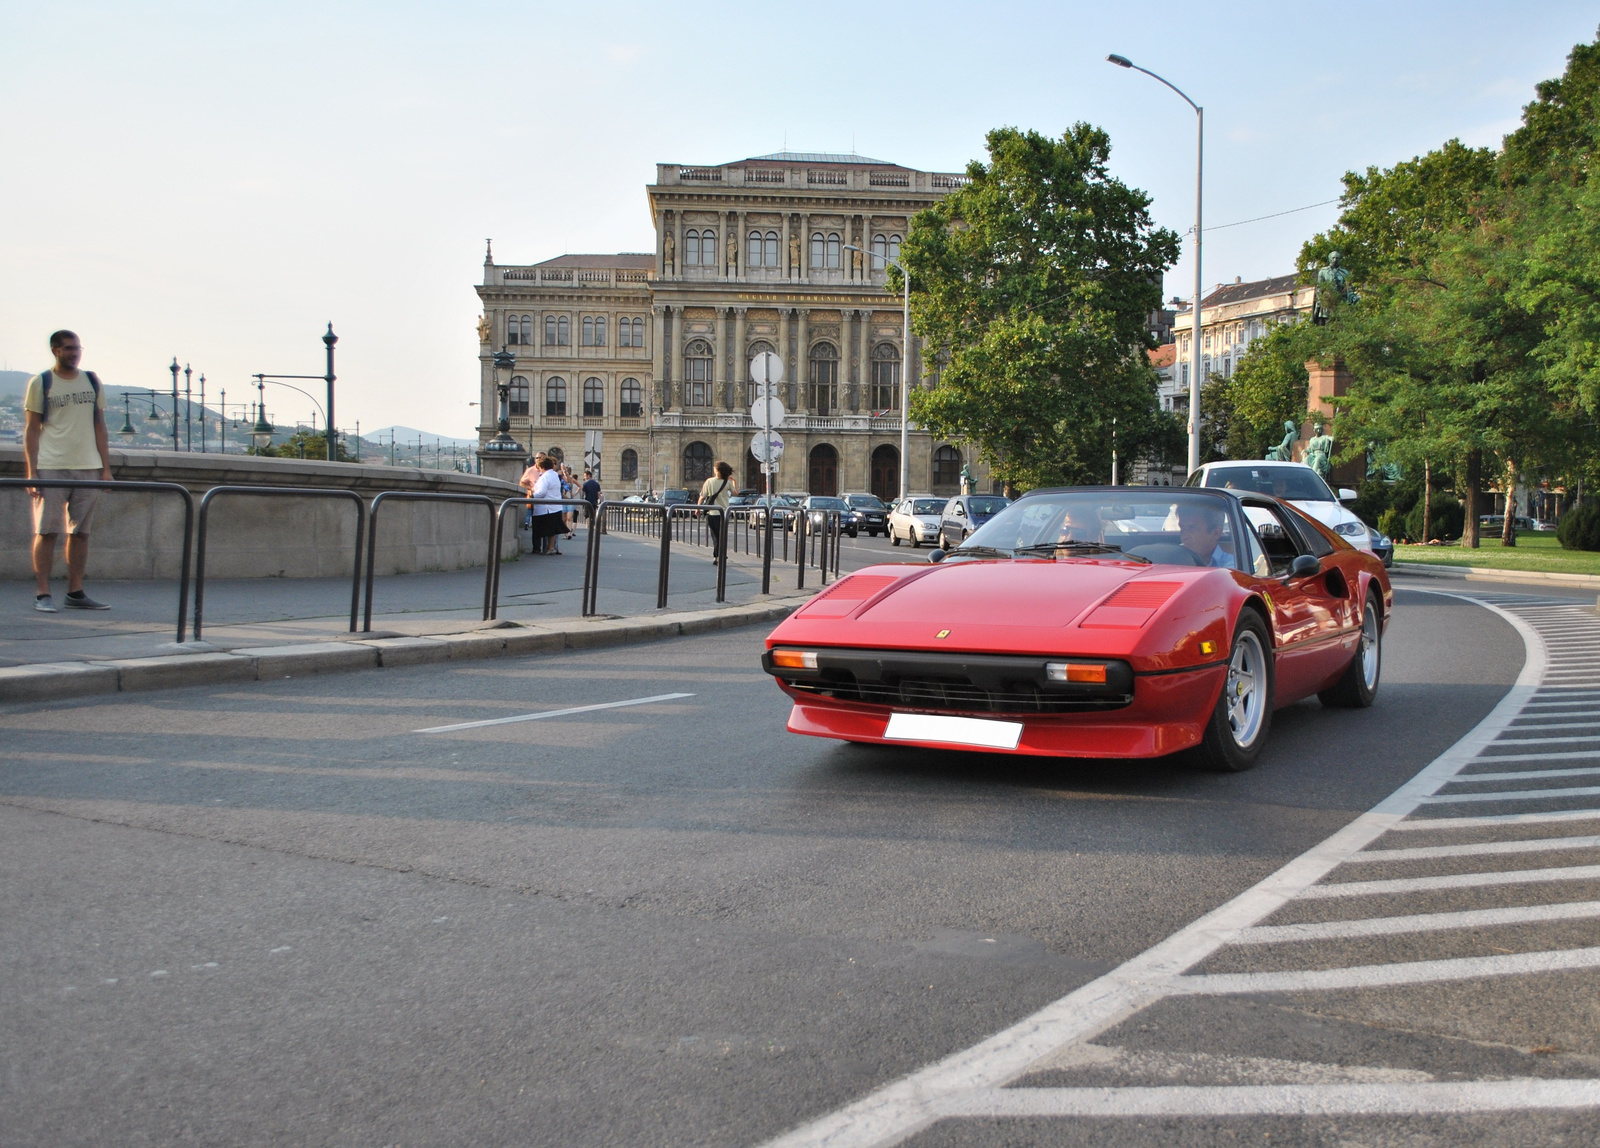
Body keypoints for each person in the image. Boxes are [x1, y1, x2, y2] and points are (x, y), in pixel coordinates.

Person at [24, 330, 113, 612]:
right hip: (52, 466)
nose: (75, 353)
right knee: (47, 531)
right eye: (69, 348)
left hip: (88, 466)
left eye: (78, 348)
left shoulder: (91, 380)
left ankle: (75, 591)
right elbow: (31, 429)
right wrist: (32, 472)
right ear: (55, 350)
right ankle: (43, 593)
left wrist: (106, 468)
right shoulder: (42, 382)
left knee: (81, 533)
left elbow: (100, 425)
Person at [698, 460, 734, 560]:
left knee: (715, 536)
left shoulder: (709, 481)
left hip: (712, 513)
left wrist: (698, 508)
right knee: (723, 535)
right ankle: (721, 555)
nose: (713, 468)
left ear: (717, 470)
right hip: (724, 513)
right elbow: (736, 493)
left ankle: (717, 556)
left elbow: (702, 496)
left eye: (714, 468)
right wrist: (734, 481)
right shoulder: (728, 482)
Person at [1177, 502, 1231, 568]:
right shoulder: (1174, 561)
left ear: (1215, 533)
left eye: (1192, 528)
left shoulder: (1231, 569)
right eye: (1182, 528)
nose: (1184, 536)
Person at [530, 455, 565, 554]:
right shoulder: (554, 475)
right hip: (555, 506)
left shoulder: (545, 477)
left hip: (546, 507)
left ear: (542, 467)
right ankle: (551, 548)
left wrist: (532, 496)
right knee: (552, 530)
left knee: (542, 529)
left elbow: (542, 492)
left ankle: (543, 548)